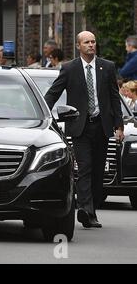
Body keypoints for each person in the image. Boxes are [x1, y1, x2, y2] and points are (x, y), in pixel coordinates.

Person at [44, 31, 124, 228]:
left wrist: (119, 125)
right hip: (80, 126)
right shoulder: (69, 69)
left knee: (98, 172)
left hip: (102, 126)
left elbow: (115, 98)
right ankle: (86, 210)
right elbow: (53, 94)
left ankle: (91, 207)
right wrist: (43, 117)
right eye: (87, 42)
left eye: (93, 41)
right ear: (78, 46)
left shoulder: (107, 67)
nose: (91, 45)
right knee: (85, 167)